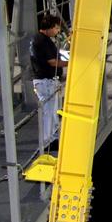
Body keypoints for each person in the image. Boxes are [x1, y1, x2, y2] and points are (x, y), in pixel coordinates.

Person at [30, 11, 68, 151]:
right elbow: (52, 61)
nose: (57, 31)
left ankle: (53, 138)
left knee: (51, 111)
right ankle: (48, 141)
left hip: (44, 81)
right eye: (56, 28)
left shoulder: (38, 39)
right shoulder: (43, 41)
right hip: (46, 81)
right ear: (49, 27)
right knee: (49, 112)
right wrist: (70, 63)